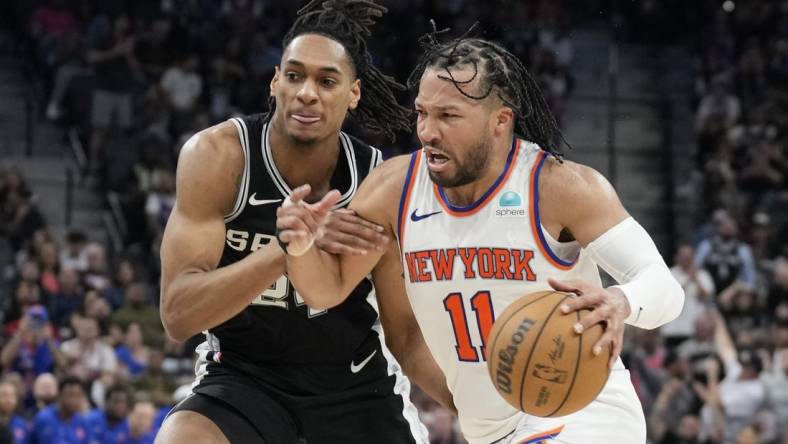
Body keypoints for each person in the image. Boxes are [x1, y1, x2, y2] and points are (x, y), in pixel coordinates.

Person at [278, 26, 685, 443]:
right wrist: (301, 244)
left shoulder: (560, 188)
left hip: (586, 416)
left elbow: (666, 290)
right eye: (422, 113)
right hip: (490, 432)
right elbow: (326, 291)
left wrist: (622, 300)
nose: (427, 131)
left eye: (449, 116)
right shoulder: (393, 190)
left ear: (500, 121)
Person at [157, 1, 450, 443]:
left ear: (353, 93)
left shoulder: (376, 183)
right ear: (275, 81)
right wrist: (287, 249)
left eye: (326, 81)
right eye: (294, 76)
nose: (306, 92)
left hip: (355, 386)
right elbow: (177, 315)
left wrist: (483, 411)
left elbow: (407, 337)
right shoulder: (219, 158)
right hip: (242, 380)